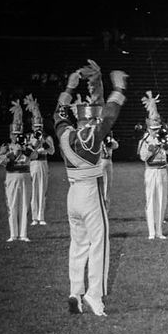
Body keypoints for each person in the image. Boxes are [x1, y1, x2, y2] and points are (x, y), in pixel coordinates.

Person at [54, 60, 127, 316]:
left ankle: (75, 291)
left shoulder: (65, 134)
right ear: (92, 118)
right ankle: (94, 295)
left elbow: (59, 113)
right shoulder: (94, 134)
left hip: (72, 193)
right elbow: (110, 113)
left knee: (78, 245)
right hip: (90, 193)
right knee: (99, 243)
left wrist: (70, 87)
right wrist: (118, 88)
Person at [138, 91, 168, 240]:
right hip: (151, 171)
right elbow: (142, 157)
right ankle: (151, 232)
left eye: (158, 122)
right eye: (153, 124)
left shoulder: (165, 137)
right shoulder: (145, 139)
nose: (156, 127)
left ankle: (159, 231)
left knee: (162, 201)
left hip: (163, 170)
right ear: (148, 125)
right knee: (151, 200)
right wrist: (151, 147)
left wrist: (165, 145)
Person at [0, 100, 36, 242]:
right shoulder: (6, 146)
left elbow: (34, 155)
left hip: (25, 175)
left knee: (25, 205)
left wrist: (24, 149)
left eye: (18, 133)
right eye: (14, 134)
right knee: (12, 204)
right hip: (12, 176)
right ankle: (13, 234)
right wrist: (12, 154)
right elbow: (0, 161)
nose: (16, 136)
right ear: (10, 135)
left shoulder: (27, 145)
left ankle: (23, 234)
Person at [23, 95, 54, 226]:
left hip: (43, 164)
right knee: (34, 190)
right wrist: (35, 143)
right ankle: (34, 217)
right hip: (33, 164)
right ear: (33, 127)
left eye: (39, 127)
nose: (38, 129)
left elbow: (52, 151)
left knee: (42, 190)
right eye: (36, 127)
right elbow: (27, 153)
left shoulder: (47, 137)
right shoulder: (29, 137)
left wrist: (44, 144)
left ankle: (41, 217)